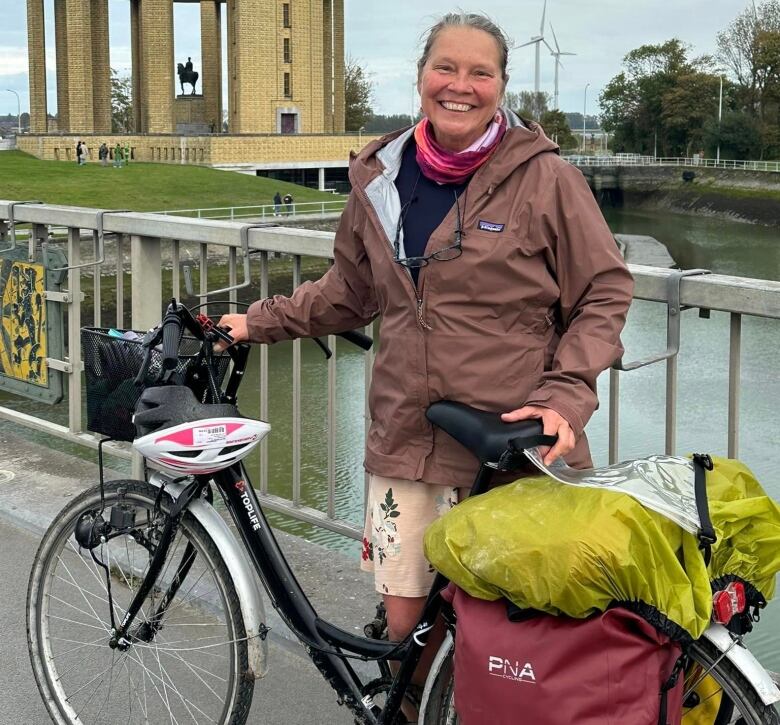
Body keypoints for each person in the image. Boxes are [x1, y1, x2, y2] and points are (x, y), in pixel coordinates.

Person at [217, 9, 633, 703]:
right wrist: (254, 322)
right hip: (407, 435)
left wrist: (566, 397)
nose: (460, 86)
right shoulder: (379, 176)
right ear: (420, 79)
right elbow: (347, 293)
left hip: (513, 440)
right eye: (446, 68)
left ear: (503, 84)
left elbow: (605, 289)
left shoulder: (546, 178)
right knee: (407, 629)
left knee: (522, 635)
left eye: (481, 72)